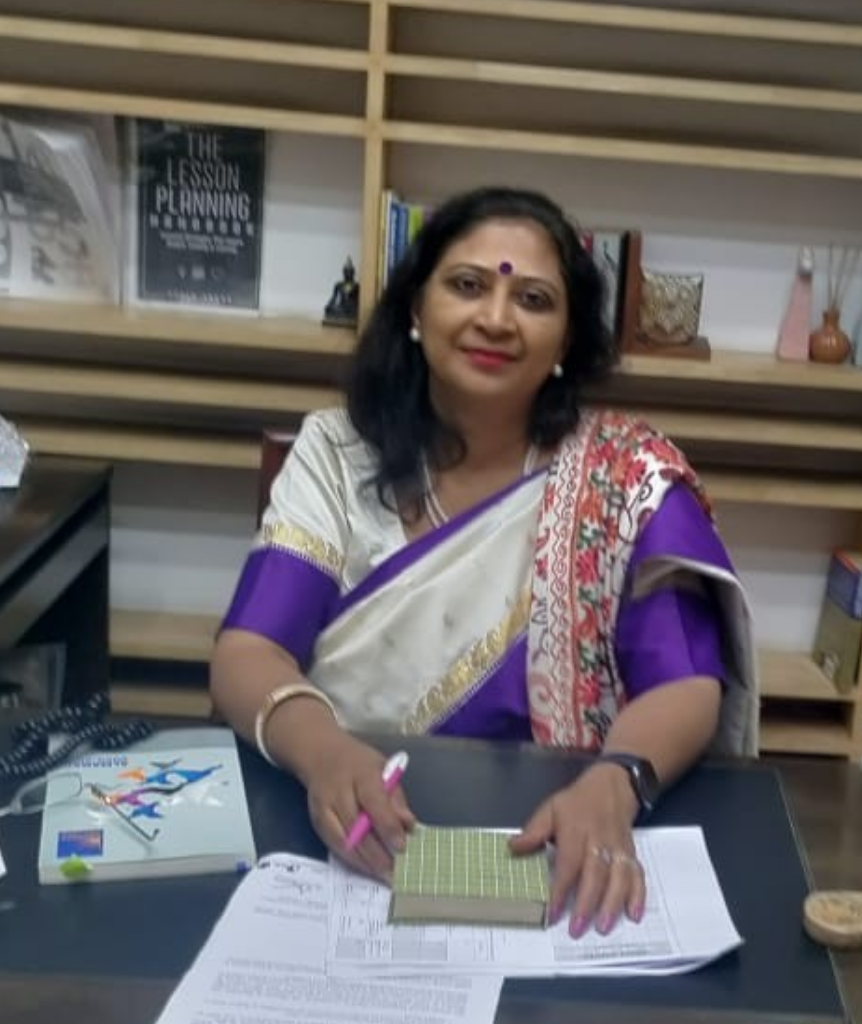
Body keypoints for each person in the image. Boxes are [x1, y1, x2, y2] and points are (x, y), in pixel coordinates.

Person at [211, 186, 756, 940]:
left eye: (533, 299)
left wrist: (617, 782)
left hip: (554, 848)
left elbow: (686, 682)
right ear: (415, 307)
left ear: (566, 340)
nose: (496, 319)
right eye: (467, 285)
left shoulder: (622, 479)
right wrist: (324, 753)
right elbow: (248, 651)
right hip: (352, 840)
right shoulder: (336, 454)